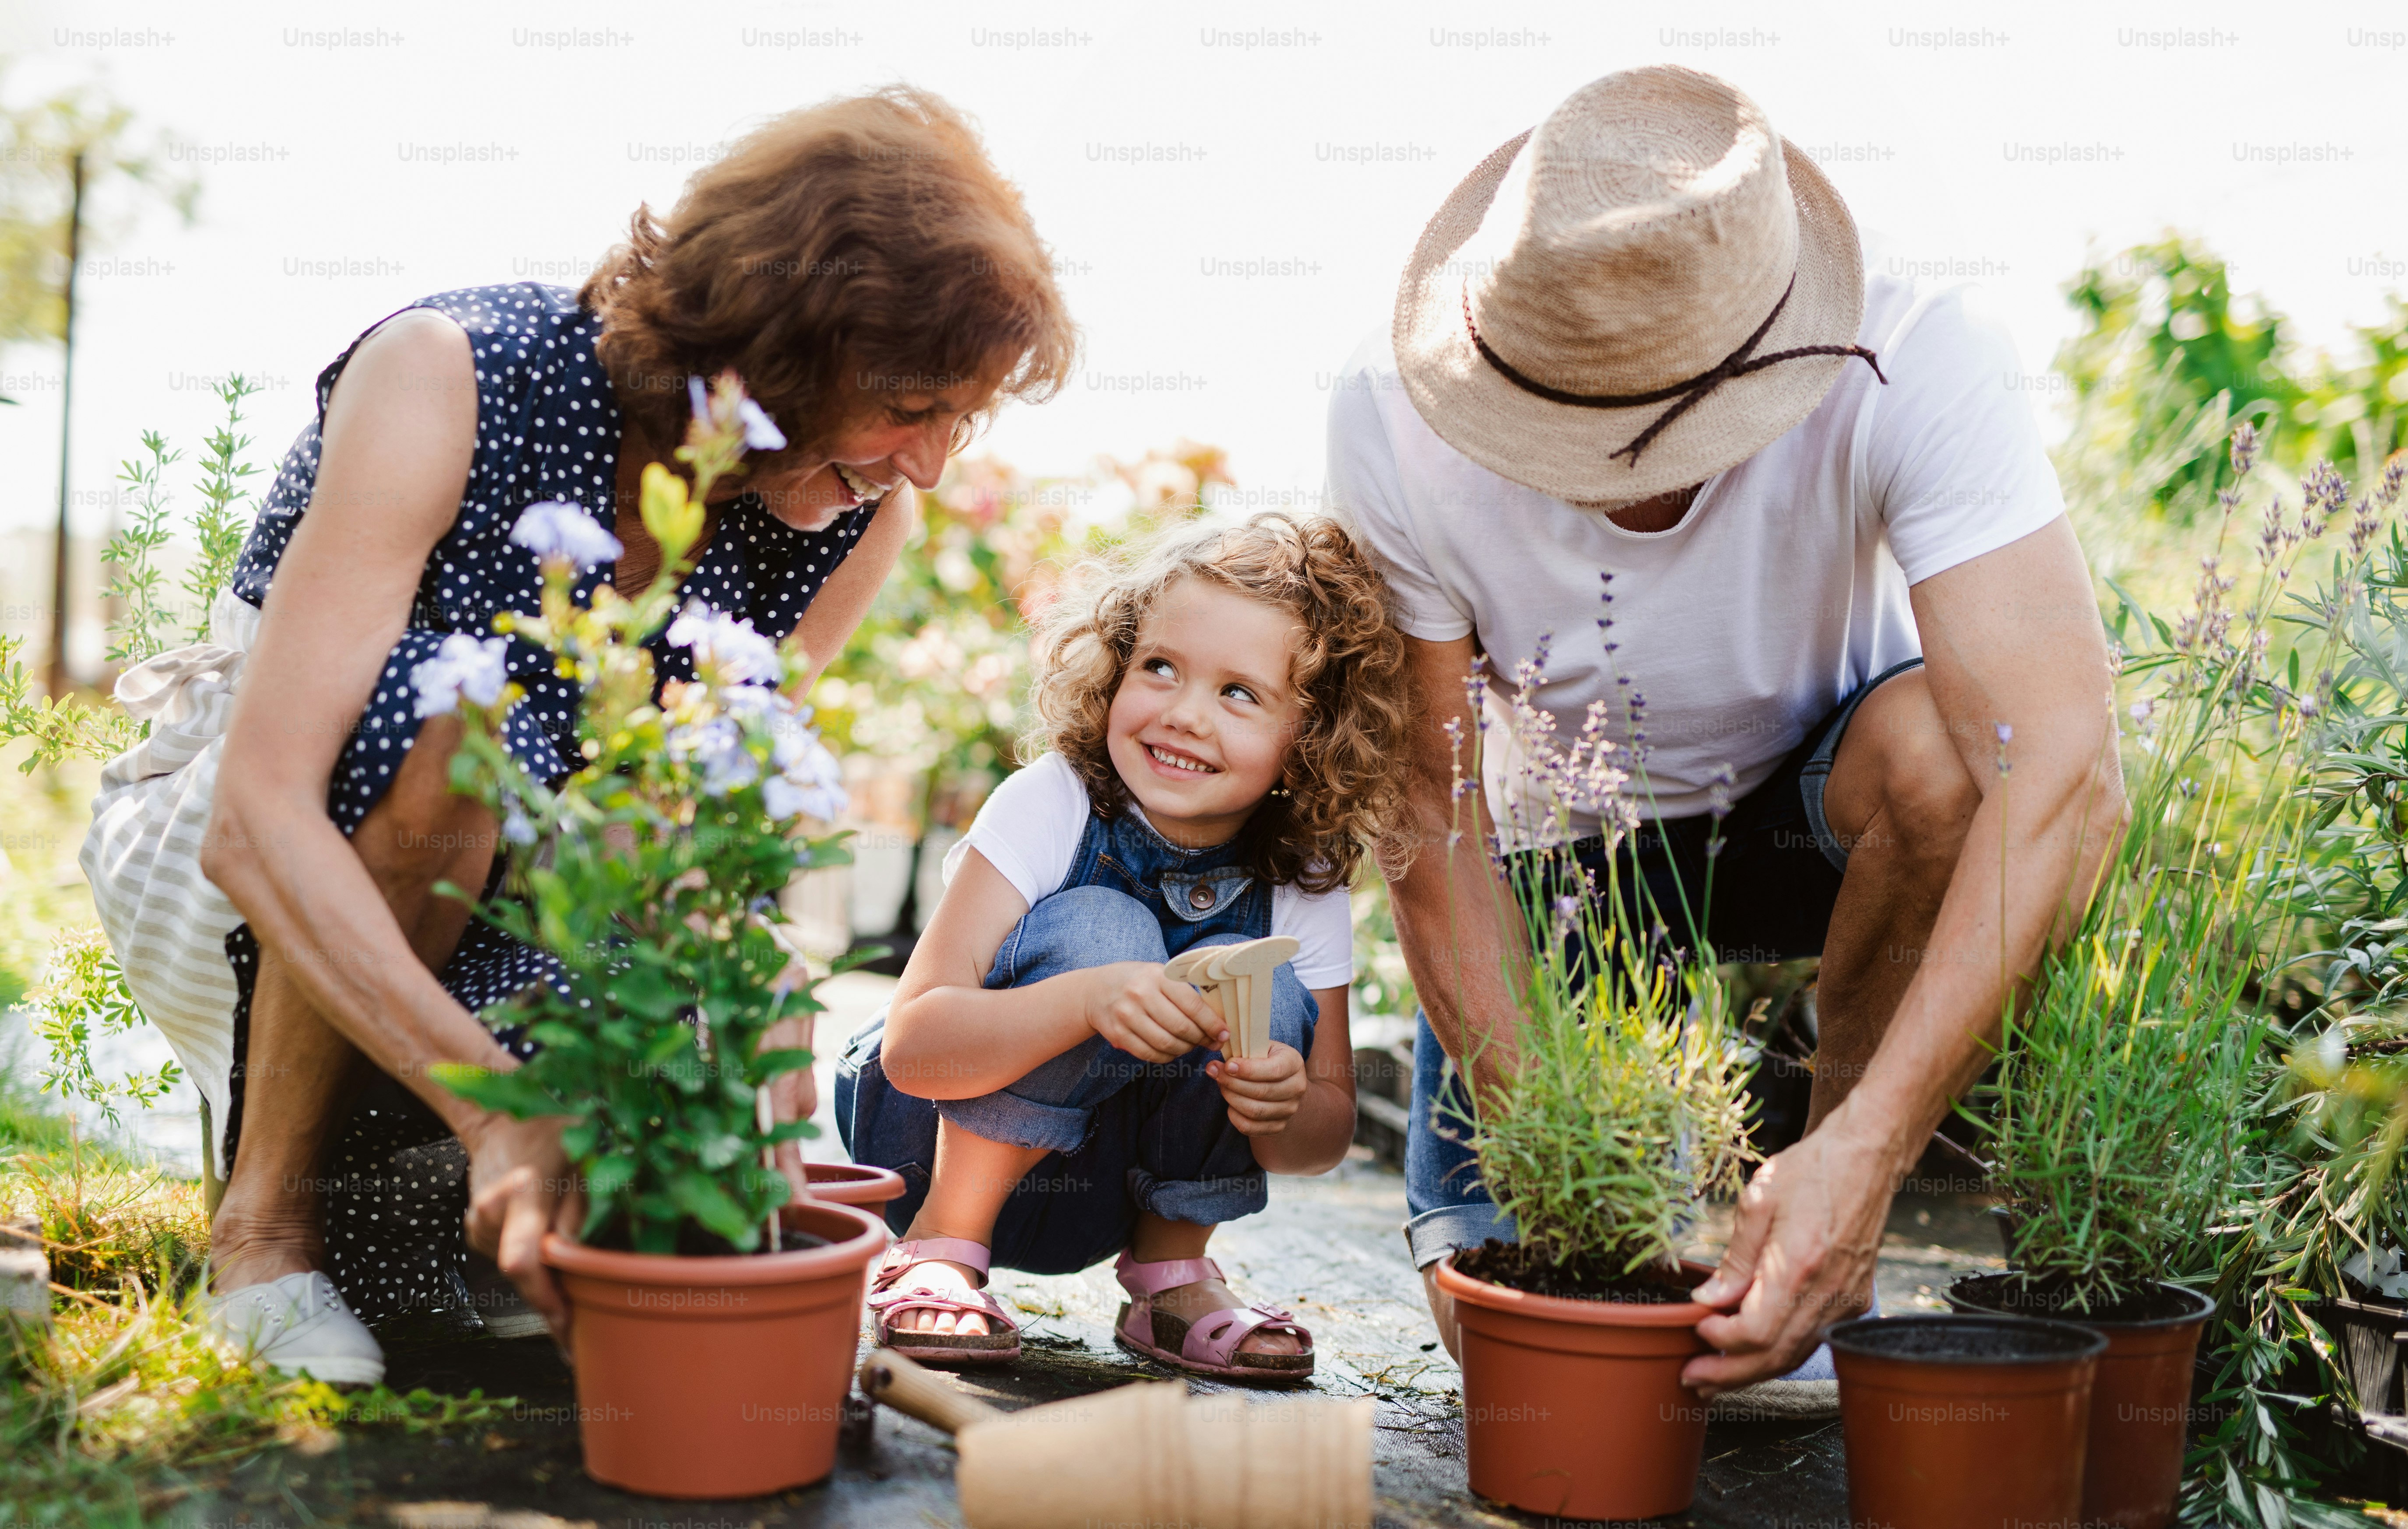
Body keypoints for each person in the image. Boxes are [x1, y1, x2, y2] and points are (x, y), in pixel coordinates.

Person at [81, 87, 1078, 1386]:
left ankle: (399, 1202)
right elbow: (256, 813)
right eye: (910, 403)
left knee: (655, 1144)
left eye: (963, 417)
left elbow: (666, 826)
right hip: (253, 865)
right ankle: (265, 1218)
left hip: (523, 899)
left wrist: (743, 1060)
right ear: (781, 337)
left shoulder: (848, 517)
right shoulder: (451, 373)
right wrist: (500, 1102)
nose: (932, 463)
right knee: (454, 733)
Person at [1325, 66, 2124, 1411]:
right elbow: (1424, 811)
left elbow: (2062, 772)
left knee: (1947, 752)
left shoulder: (1912, 355)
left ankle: (1821, 1214)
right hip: (1559, 873)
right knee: (1555, 1356)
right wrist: (1565, 1162)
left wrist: (1865, 1155)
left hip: (1816, 818)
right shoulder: (1388, 420)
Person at [835, 515, 1410, 1382]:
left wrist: (1281, 1099)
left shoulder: (1308, 868)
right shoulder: (1051, 802)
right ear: (1117, 666)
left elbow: (1318, 1138)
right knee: (1105, 927)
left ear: (1312, 737)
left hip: (1111, 1196)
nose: (1183, 714)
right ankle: (941, 1247)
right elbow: (914, 1049)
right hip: (929, 1143)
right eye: (1161, 668)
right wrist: (1084, 998)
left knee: (1261, 981)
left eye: (1240, 693)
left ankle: (1172, 1275)